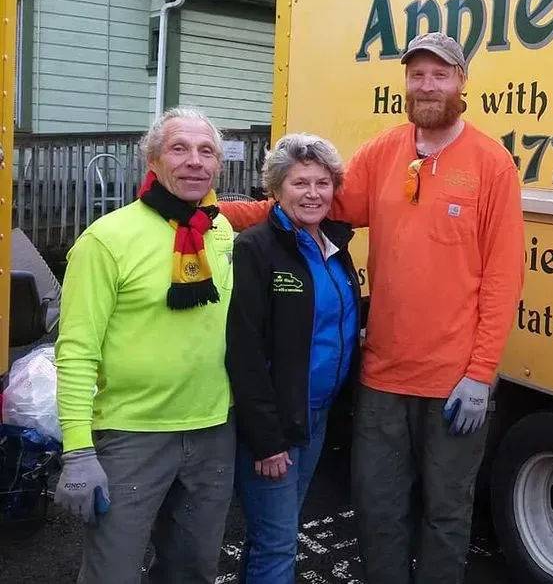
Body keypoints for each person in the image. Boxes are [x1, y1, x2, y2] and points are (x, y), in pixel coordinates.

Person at [219, 31, 525, 584]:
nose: (427, 85)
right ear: (406, 82)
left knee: (446, 513)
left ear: (461, 82)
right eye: (417, 74)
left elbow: (504, 277)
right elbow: (309, 204)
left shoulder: (491, 164)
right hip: (383, 375)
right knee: (378, 509)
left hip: (453, 382)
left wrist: (480, 373)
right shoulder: (385, 151)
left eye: (440, 74)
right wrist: (212, 212)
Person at [54, 107, 236, 584]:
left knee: (193, 570)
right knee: (112, 574)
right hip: (131, 435)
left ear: (218, 164)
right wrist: (77, 451)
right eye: (179, 149)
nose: (195, 161)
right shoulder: (106, 240)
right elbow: (76, 350)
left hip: (213, 430)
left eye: (206, 151)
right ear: (151, 161)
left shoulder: (219, 231)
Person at [225, 133, 362, 583]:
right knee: (279, 543)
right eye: (300, 183)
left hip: (317, 416)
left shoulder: (335, 248)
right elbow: (244, 351)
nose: (313, 193)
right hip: (277, 424)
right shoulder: (257, 248)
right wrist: (266, 440)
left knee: (272, 534)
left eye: (322, 183)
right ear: (276, 189)